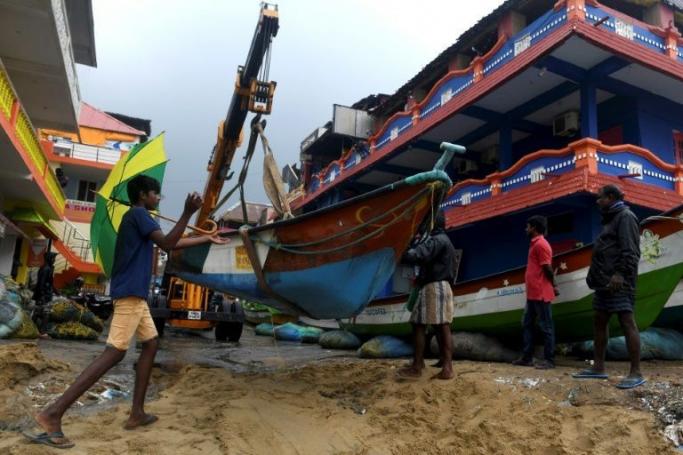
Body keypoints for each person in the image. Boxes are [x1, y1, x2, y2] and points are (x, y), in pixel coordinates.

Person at [25, 175, 229, 449]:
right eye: (156, 195)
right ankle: (52, 414)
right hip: (131, 294)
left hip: (137, 295)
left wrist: (205, 239)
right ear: (144, 195)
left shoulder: (140, 218)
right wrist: (187, 212)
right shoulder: (139, 214)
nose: (158, 199)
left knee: (151, 343)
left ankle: (136, 413)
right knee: (115, 352)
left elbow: (172, 243)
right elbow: (168, 243)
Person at [572, 184, 643, 389]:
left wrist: (620, 274)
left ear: (611, 197)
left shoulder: (625, 217)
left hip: (619, 282)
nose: (597, 201)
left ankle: (636, 372)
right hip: (605, 283)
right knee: (599, 321)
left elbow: (631, 251)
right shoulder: (612, 218)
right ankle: (599, 368)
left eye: (600, 197)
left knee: (627, 321)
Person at [398, 211, 457, 380]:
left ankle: (422, 366)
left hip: (433, 286)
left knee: (420, 324)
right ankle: (442, 365)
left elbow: (416, 255)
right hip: (443, 287)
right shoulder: (445, 240)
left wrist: (402, 248)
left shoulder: (436, 240)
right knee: (441, 326)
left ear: (431, 224)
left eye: (425, 223)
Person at [512, 215, 558, 370]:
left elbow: (547, 268)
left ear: (534, 228)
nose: (526, 229)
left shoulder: (541, 245)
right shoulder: (535, 244)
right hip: (533, 294)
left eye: (528, 226)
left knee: (546, 326)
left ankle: (549, 360)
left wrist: (554, 285)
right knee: (527, 323)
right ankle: (527, 357)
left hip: (540, 293)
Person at [31, 251, 57, 337]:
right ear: (49, 259)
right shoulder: (46, 269)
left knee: (38, 312)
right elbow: (41, 283)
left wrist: (56, 291)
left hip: (42, 294)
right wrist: (42, 295)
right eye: (53, 258)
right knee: (46, 313)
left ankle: (32, 329)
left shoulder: (46, 268)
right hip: (44, 295)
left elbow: (49, 283)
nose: (54, 260)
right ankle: (42, 332)